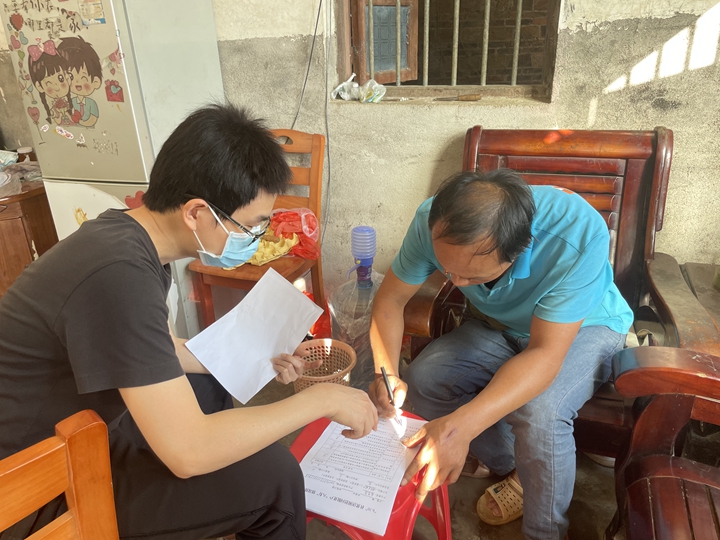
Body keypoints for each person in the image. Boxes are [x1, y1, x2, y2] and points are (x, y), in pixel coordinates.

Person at [0, 104, 378, 540]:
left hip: (81, 428)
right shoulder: (118, 275)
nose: (255, 239)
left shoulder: (125, 238)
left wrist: (257, 357)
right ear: (197, 212)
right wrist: (320, 400)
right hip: (33, 485)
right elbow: (188, 452)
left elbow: (158, 350)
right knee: (275, 478)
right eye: (249, 227)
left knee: (209, 385)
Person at [367, 169, 632, 540]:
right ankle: (518, 465)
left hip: (584, 327)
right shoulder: (435, 219)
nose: (455, 282)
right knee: (424, 379)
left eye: (473, 277)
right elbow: (391, 300)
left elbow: (544, 354)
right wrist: (386, 372)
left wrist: (460, 428)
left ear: (520, 250)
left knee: (541, 413)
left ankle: (544, 532)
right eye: (447, 269)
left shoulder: (577, 233)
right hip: (499, 325)